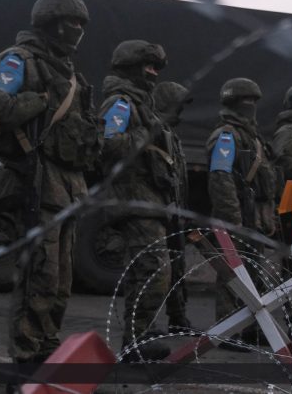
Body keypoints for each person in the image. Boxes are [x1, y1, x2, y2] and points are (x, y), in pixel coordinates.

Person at [0, 0, 101, 366]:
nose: (78, 30)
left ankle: (46, 344)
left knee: (61, 280)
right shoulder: (19, 61)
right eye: (73, 22)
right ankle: (26, 352)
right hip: (36, 179)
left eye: (83, 24)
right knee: (40, 274)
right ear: (52, 21)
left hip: (68, 186)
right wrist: (37, 103)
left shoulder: (72, 75)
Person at [100, 40, 173, 361]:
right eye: (148, 66)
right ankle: (136, 338)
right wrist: (147, 132)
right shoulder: (121, 102)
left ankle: (140, 332)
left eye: (157, 67)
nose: (154, 73)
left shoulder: (144, 105)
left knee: (148, 269)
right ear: (130, 66)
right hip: (133, 199)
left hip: (150, 199)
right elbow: (108, 145)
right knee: (152, 269)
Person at [206, 78, 279, 342]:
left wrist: (267, 215)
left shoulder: (253, 136)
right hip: (237, 215)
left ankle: (248, 327)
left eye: (253, 101)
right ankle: (229, 330)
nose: (250, 106)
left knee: (253, 274)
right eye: (245, 101)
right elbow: (221, 178)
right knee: (232, 276)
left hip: (253, 216)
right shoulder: (227, 135)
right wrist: (231, 219)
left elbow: (265, 181)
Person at [152, 80, 192, 332]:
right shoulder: (154, 130)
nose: (181, 111)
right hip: (158, 207)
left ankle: (178, 318)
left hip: (174, 208)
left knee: (177, 265)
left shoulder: (169, 134)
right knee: (155, 270)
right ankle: (147, 325)